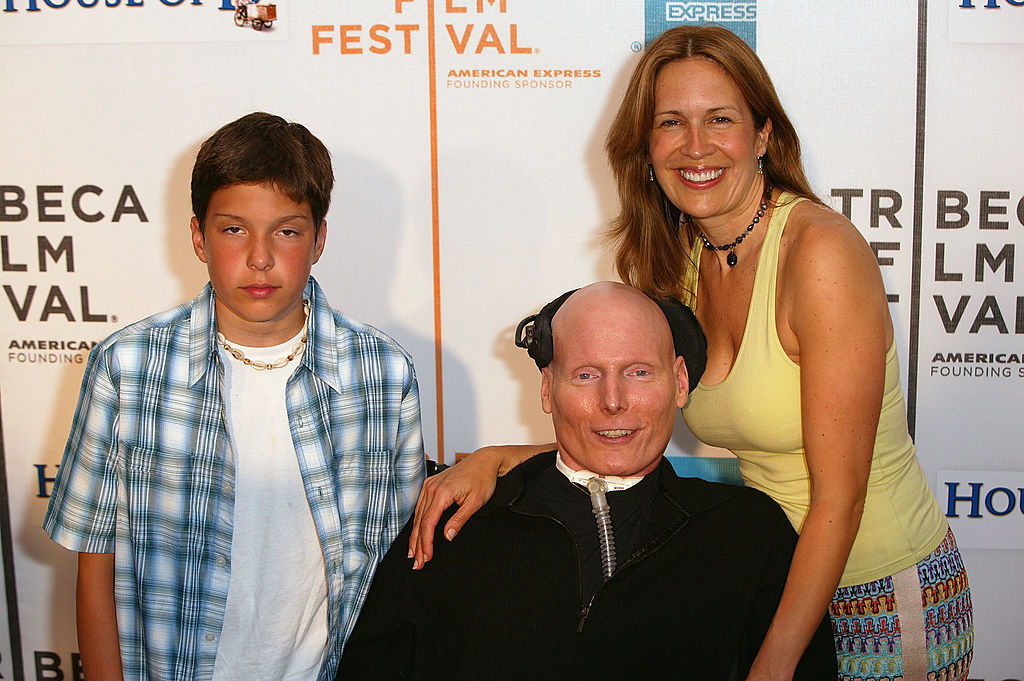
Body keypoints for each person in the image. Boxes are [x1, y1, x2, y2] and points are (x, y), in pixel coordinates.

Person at [408, 26, 973, 681]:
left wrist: (774, 664)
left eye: (720, 120)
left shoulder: (819, 255)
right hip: (773, 581)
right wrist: (498, 460)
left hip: (877, 591)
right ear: (646, 147)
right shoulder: (679, 263)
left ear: (764, 134)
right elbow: (633, 426)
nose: (696, 146)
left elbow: (838, 499)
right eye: (671, 122)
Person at [43, 112, 425, 681]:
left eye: (287, 230)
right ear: (198, 236)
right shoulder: (127, 368)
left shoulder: (381, 373)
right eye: (234, 229)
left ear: (320, 239)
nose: (261, 257)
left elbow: (400, 571)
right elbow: (94, 564)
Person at [339, 282, 837, 680]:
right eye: (585, 375)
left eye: (639, 373)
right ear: (547, 389)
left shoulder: (748, 535)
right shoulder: (456, 528)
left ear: (680, 383)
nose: (614, 401)